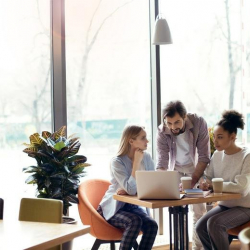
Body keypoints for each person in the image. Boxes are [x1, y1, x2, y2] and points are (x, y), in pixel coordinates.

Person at [156, 100, 210, 250]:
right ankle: (182, 247)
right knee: (178, 211)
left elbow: (204, 156)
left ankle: (197, 248)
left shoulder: (199, 123)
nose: (173, 127)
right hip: (176, 171)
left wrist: (193, 182)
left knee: (199, 211)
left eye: (177, 122)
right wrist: (161, 183)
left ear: (185, 117)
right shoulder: (162, 131)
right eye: (169, 123)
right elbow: (162, 162)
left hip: (195, 169)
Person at [97, 125, 158, 250]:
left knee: (152, 225)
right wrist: (136, 163)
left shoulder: (146, 157)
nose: (147, 141)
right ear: (131, 141)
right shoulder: (117, 162)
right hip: (113, 208)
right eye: (143, 138)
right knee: (134, 221)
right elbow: (131, 189)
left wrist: (131, 190)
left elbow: (152, 184)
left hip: (133, 206)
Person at [196, 110, 250, 250]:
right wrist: (204, 182)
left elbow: (242, 188)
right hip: (226, 205)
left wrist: (213, 185)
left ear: (232, 136)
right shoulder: (217, 156)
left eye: (220, 137)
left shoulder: (247, 156)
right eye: (214, 137)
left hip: (246, 206)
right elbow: (208, 177)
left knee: (215, 223)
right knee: (200, 226)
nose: (215, 141)